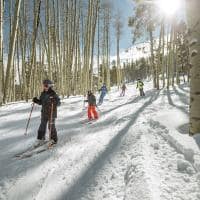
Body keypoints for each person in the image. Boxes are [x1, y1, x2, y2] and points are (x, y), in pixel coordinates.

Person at [33, 79, 61, 146]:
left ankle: (53, 139)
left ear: (50, 86)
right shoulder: (43, 93)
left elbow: (59, 103)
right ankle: (41, 139)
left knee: (51, 126)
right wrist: (36, 100)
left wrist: (54, 101)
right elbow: (41, 102)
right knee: (42, 126)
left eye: (45, 85)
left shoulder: (53, 93)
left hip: (51, 113)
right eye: (43, 85)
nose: (44, 87)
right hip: (44, 113)